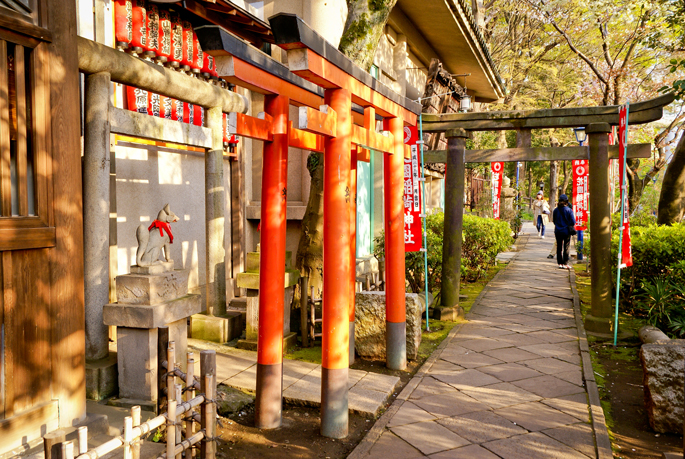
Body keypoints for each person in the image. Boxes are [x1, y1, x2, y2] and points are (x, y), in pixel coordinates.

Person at [552, 194, 576, 269]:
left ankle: (560, 263)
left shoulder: (556, 210)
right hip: (566, 231)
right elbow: (573, 222)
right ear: (567, 202)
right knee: (566, 247)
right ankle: (565, 263)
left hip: (558, 231)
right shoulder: (569, 210)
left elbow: (554, 221)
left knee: (559, 247)